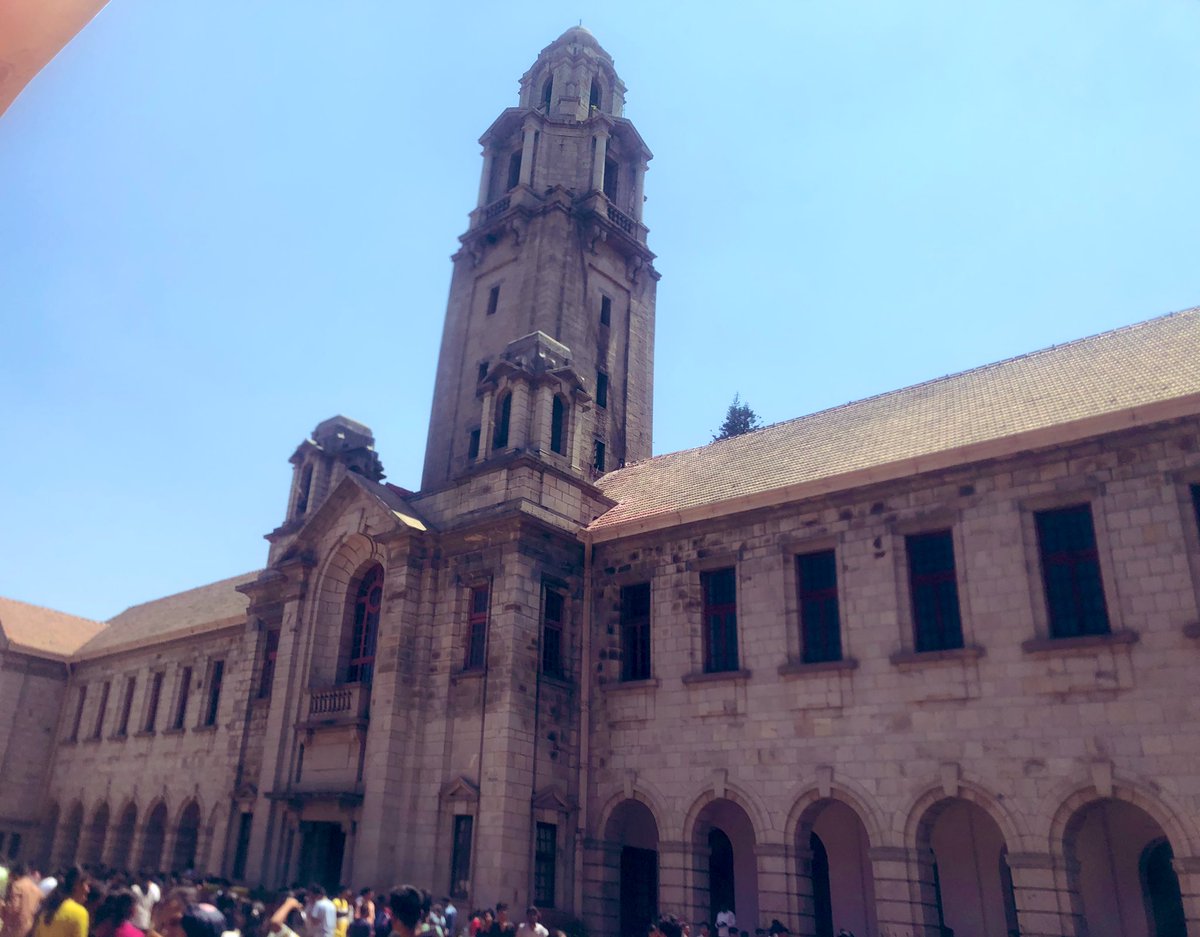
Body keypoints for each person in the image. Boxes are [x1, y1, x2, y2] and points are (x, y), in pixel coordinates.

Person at [34, 866, 91, 937]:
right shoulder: (80, 913)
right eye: (87, 884)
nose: (88, 890)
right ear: (77, 885)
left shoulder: (48, 906)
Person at [3, 862, 45, 937]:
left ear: (15, 875)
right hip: (29, 928)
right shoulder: (37, 890)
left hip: (13, 928)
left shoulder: (17, 886)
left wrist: (3, 907)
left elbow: (14, 908)